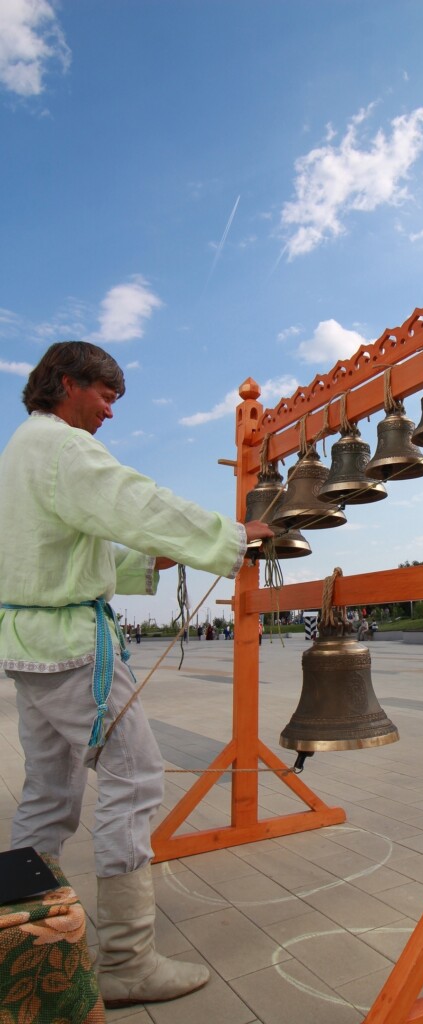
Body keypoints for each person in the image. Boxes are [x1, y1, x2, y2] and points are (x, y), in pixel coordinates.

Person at [0, 341, 272, 1010]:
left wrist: (147, 567)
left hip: (28, 643)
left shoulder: (22, 451)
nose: (109, 414)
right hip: (71, 647)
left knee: (50, 790)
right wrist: (231, 538)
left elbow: (62, 548)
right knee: (134, 775)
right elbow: (134, 501)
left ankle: (25, 938)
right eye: (105, 397)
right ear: (68, 384)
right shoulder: (64, 448)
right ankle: (125, 958)